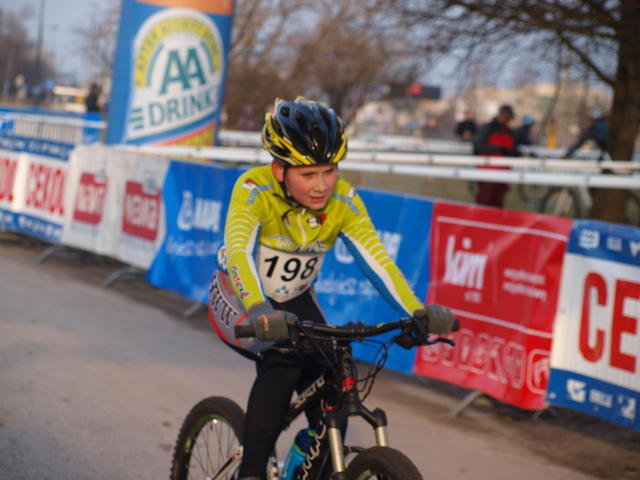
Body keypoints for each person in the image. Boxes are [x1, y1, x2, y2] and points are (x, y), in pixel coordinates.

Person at [208, 97, 456, 480]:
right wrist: (258, 308)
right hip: (241, 297)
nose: (322, 185)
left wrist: (415, 311)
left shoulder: (343, 201)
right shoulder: (254, 188)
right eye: (308, 174)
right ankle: (251, 471)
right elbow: (239, 252)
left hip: (294, 298)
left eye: (329, 171)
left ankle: (312, 462)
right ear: (279, 169)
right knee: (283, 360)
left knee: (334, 378)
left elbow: (378, 261)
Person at [472, 104, 518, 208]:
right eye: (505, 116)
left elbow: (512, 150)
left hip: (503, 174)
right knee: (485, 202)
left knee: (497, 203)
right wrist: (499, 148)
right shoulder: (487, 129)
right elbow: (479, 147)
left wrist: (511, 152)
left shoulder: (509, 132)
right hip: (487, 173)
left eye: (508, 117)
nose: (506, 119)